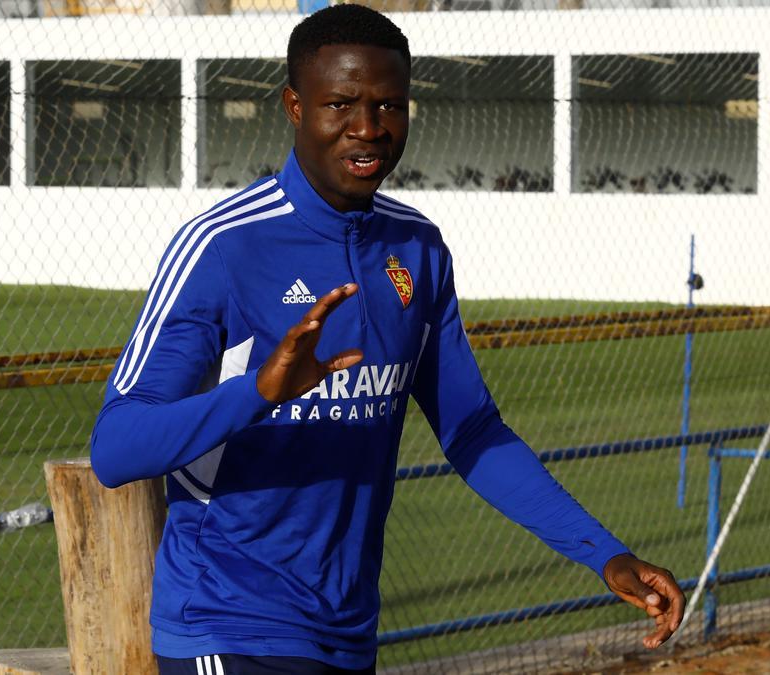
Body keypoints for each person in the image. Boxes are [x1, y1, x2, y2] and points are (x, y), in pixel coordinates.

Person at [89, 5, 685, 674]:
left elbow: (472, 432)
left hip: (347, 631)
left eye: (389, 105)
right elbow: (116, 447)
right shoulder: (222, 247)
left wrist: (603, 552)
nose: (368, 129)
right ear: (293, 105)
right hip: (229, 621)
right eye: (340, 103)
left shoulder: (417, 250)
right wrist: (258, 392)